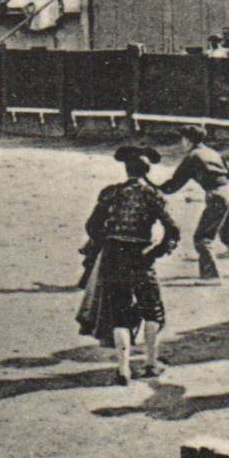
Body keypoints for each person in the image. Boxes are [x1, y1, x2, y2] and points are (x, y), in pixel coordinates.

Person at [76, 146, 181, 384]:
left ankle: (123, 370)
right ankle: (151, 363)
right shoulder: (154, 195)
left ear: (126, 169)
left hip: (113, 257)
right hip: (140, 257)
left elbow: (92, 226)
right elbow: (173, 231)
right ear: (148, 170)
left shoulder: (110, 193)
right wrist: (155, 253)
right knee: (152, 310)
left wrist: (107, 241)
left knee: (119, 313)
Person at [159, 125, 229, 282]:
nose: (181, 143)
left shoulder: (193, 156)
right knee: (226, 236)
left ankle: (211, 277)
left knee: (202, 238)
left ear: (188, 140)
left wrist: (156, 187)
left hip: (217, 196)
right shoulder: (212, 152)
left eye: (183, 139)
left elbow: (175, 183)